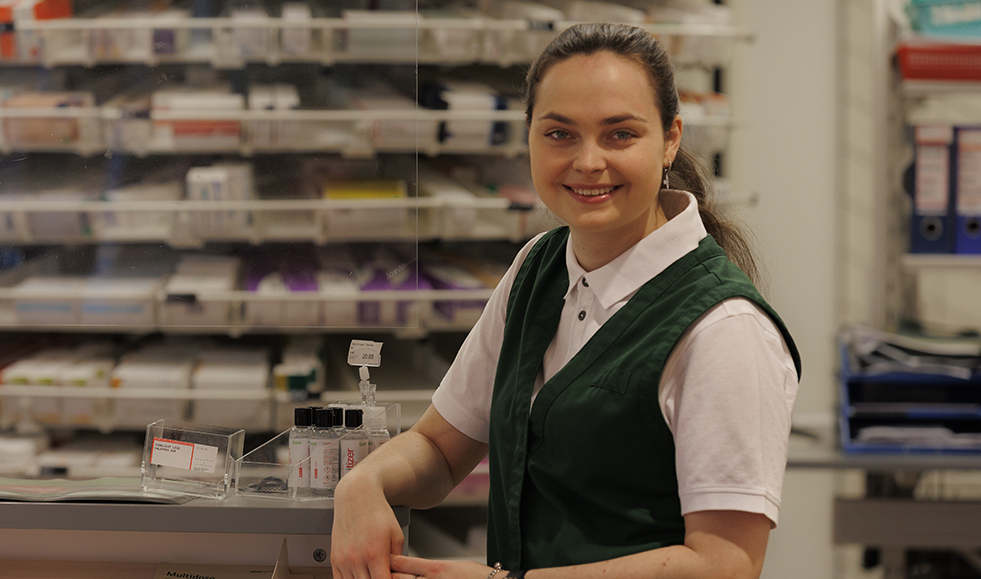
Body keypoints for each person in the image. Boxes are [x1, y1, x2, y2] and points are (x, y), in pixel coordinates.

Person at [331, 22, 801, 579]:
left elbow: (724, 564)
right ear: (528, 137)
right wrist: (362, 484)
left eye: (620, 134)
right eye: (559, 134)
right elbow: (439, 446)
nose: (588, 161)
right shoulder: (539, 266)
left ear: (671, 137)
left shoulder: (724, 329)